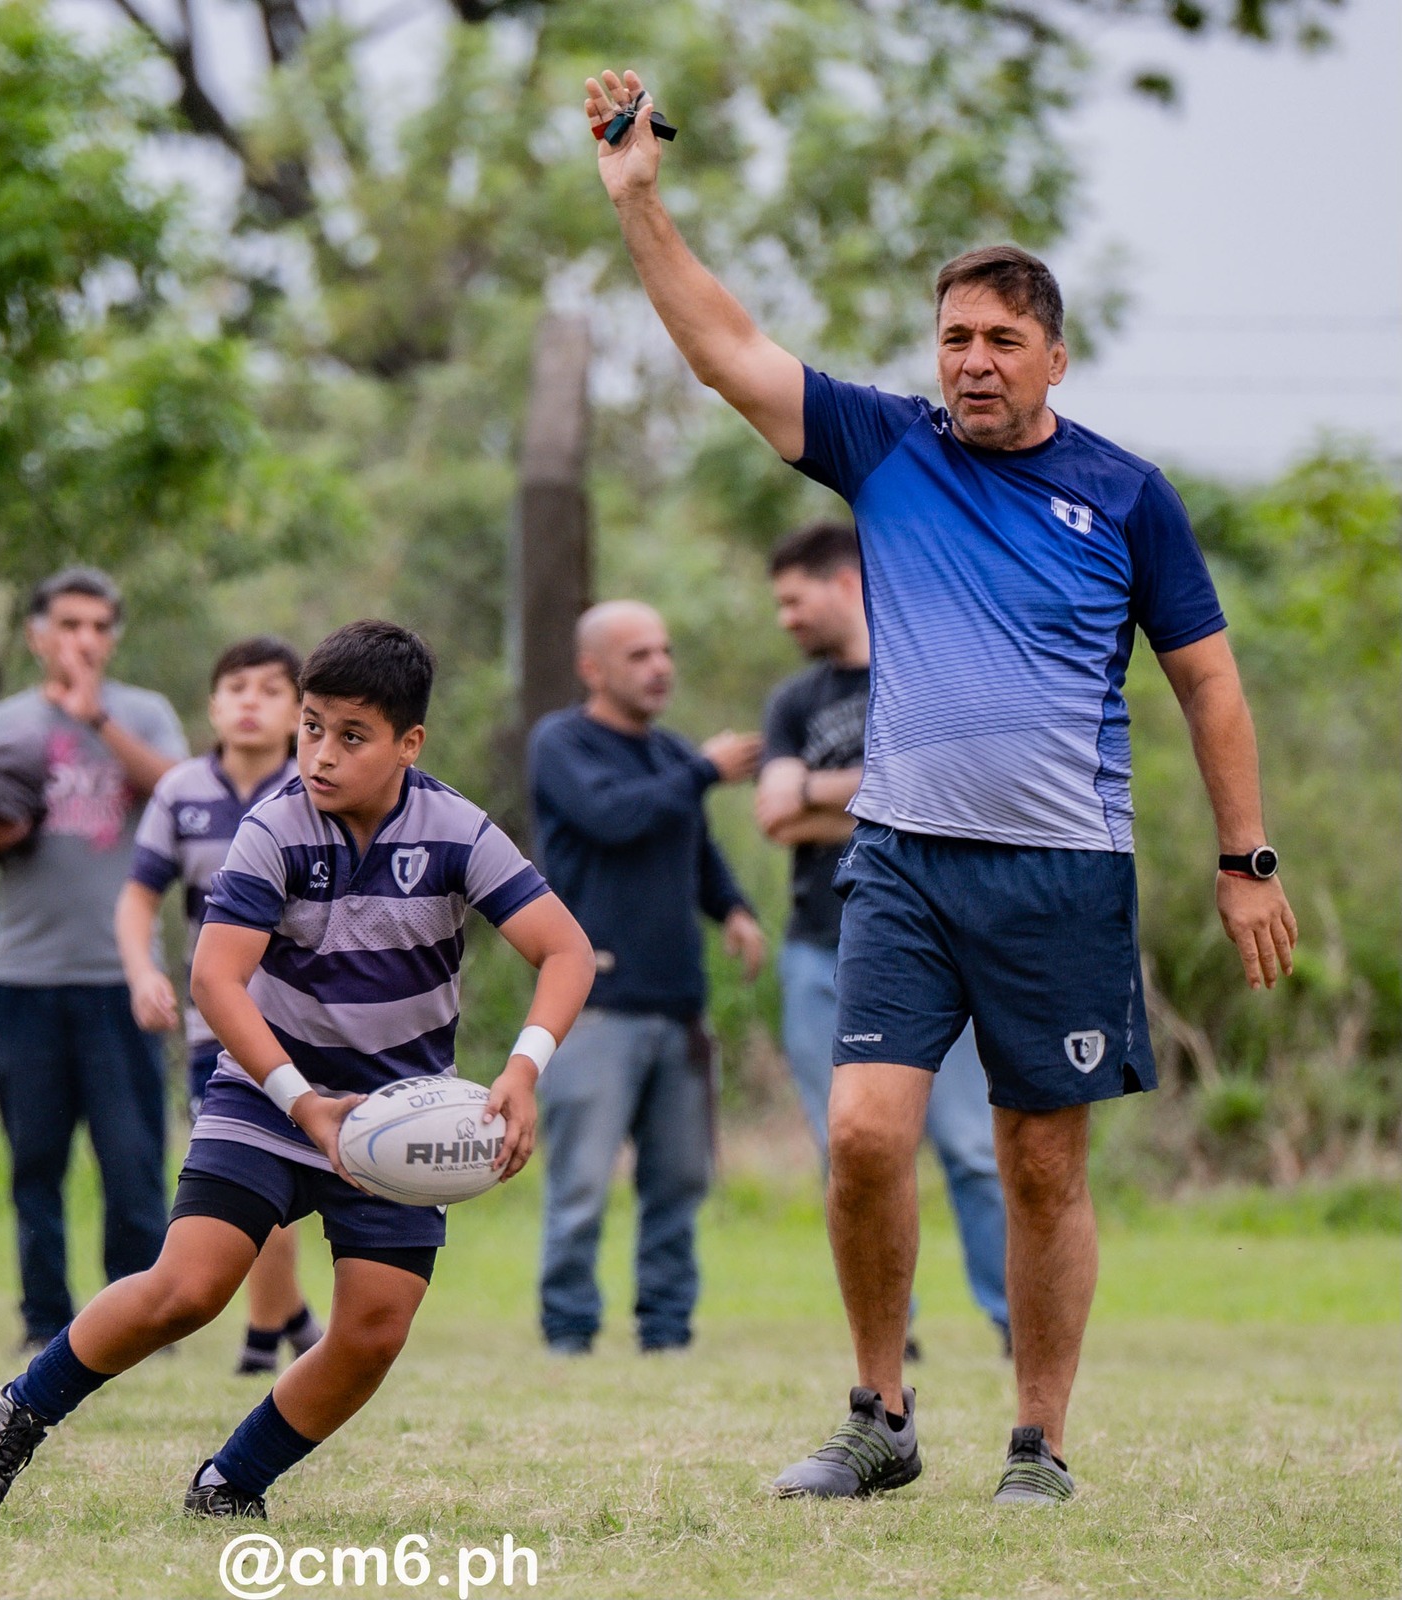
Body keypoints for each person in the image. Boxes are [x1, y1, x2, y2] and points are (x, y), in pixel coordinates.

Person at [589, 69, 1297, 1505]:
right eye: (955, 336)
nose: (973, 360)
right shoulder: (888, 448)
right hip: (903, 859)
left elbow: (1208, 683)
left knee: (1042, 1170)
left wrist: (1246, 860)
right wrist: (642, 206)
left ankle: (1037, 1443)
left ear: (1053, 357)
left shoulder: (1128, 497)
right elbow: (727, 350)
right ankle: (878, 1420)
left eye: (1002, 339)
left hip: (1063, 872)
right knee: (861, 1137)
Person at [0, 620, 595, 1518]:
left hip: (395, 1113)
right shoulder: (275, 827)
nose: (321, 754)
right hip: (266, 1096)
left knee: (373, 1332)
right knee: (187, 1290)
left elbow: (567, 953)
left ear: (410, 743)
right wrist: (302, 1104)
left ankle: (231, 1482)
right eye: (312, 727)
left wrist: (523, 1070)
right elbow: (215, 980)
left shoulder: (457, 830)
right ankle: (20, 1408)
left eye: (352, 736)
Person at [757, 522, 1012, 1358]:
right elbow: (771, 812)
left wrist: (822, 794)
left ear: (844, 583)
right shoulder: (794, 702)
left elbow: (960, 785)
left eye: (795, 601)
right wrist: (886, 788)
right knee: (852, 1147)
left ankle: (1018, 1322)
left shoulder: (925, 672)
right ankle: (888, 1336)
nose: (787, 619)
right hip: (817, 947)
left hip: (941, 944)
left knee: (974, 1148)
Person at [0, 566, 189, 1350]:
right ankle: (45, 1320)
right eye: (68, 625)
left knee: (133, 1161)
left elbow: (184, 794)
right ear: (36, 634)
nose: (83, 640)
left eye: (98, 627)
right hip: (25, 978)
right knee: (35, 1162)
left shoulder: (144, 715)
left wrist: (97, 719)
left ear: (114, 636)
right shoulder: (0, 727)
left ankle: (140, 1319)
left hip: (123, 980)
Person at [526, 600, 764, 1355]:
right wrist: (703, 771)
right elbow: (610, 817)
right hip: (595, 1005)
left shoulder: (671, 755)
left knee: (679, 1184)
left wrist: (733, 908)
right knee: (581, 1188)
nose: (660, 666)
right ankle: (569, 1331)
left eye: (664, 650)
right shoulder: (561, 744)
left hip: (678, 1005)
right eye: (639, 654)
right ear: (592, 668)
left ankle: (667, 1330)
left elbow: (694, 850)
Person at [117, 635, 326, 1376]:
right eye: (236, 688)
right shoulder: (181, 792)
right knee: (251, 1179)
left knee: (279, 1184)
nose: (250, 703)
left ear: (301, 712)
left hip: (307, 1026)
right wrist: (142, 971)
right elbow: (138, 900)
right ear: (212, 705)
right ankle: (283, 1330)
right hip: (217, 1028)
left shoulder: (317, 790)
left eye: (271, 690)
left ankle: (267, 1342)